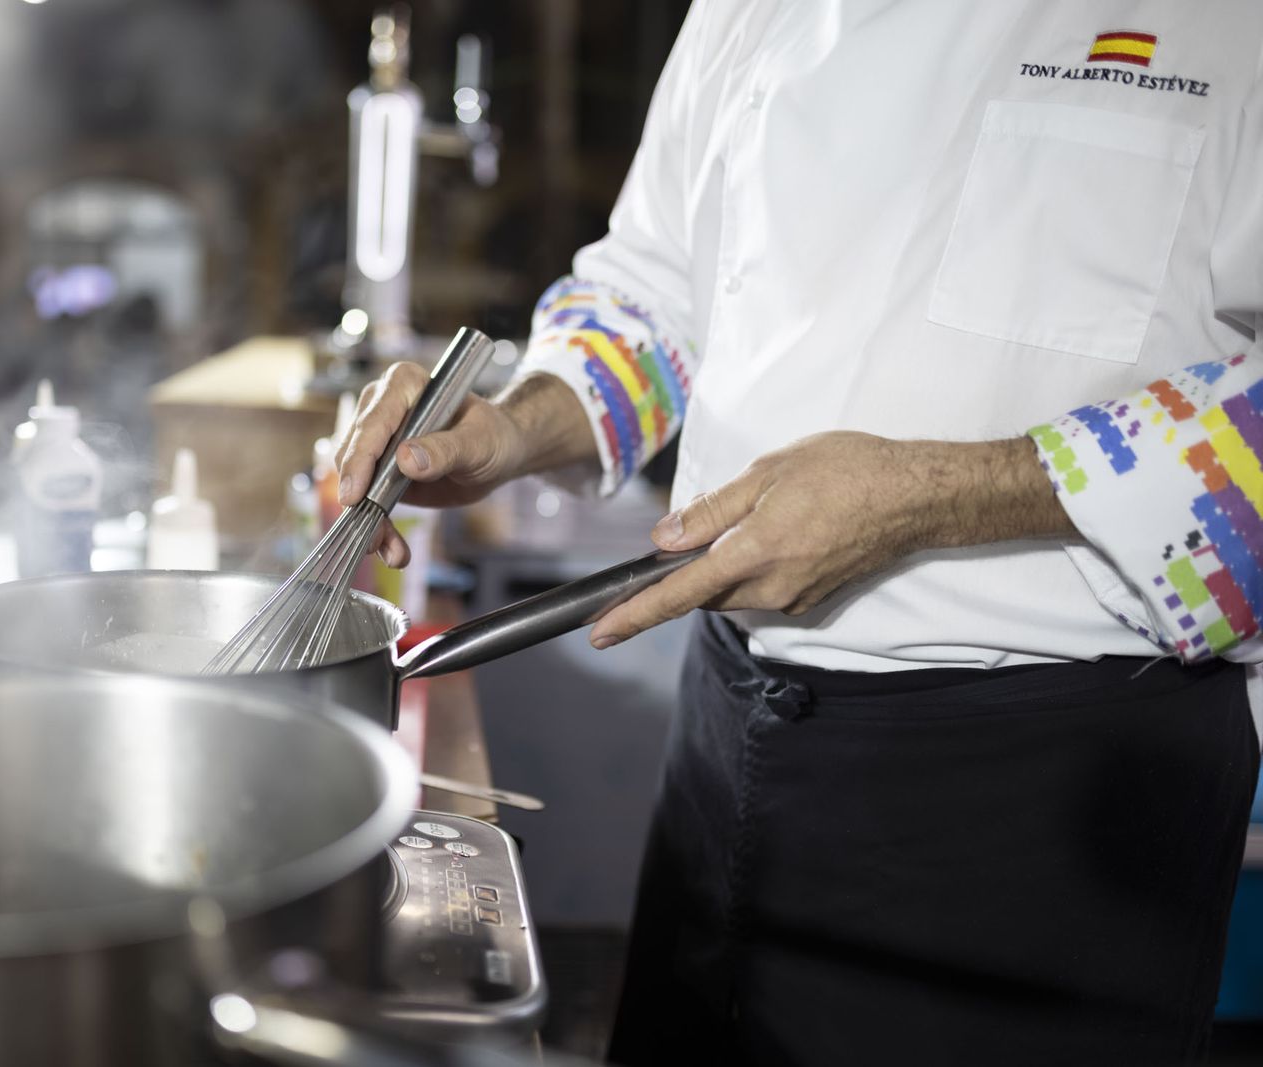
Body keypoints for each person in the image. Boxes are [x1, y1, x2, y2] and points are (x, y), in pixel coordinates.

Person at [336, 4, 1263, 1064]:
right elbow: (656, 296)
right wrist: (514, 423)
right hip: (727, 731)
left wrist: (931, 493)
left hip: (1040, 788)